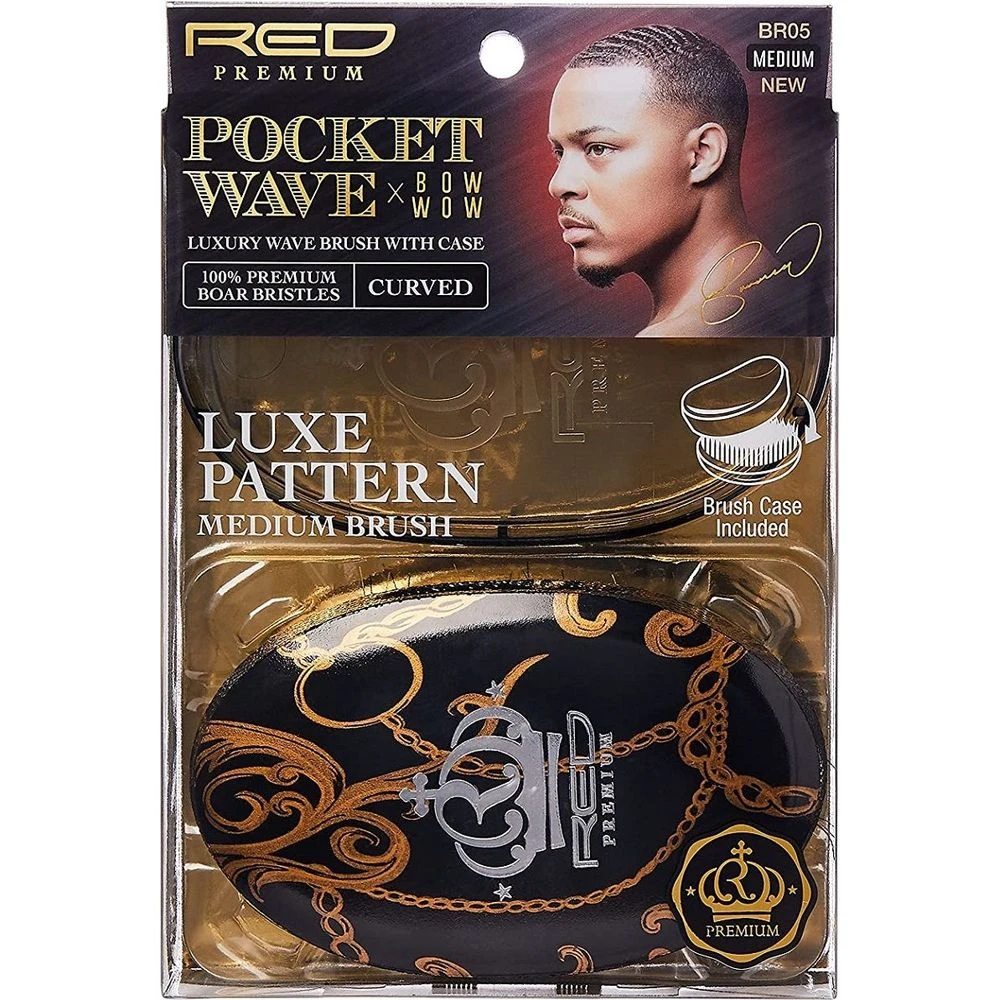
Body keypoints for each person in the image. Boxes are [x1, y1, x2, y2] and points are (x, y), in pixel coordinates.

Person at [548, 25, 795, 337]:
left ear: (702, 154)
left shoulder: (673, 341)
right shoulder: (782, 292)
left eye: (598, 148)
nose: (558, 184)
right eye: (559, 152)